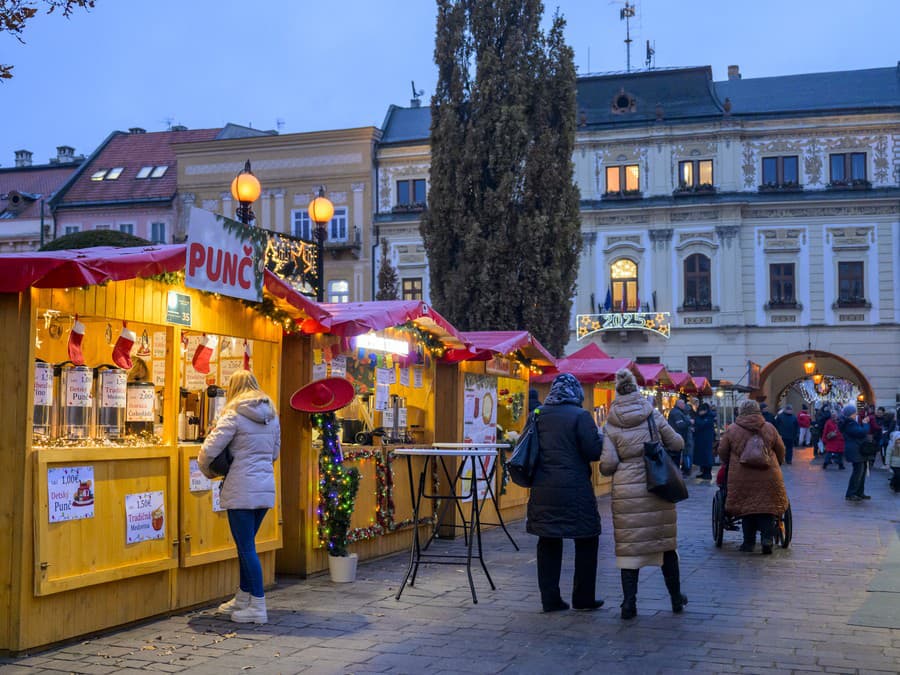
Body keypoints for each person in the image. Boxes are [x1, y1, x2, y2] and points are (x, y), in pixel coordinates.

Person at [600, 369, 687, 620]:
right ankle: (675, 598)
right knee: (665, 544)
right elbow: (677, 443)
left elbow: (608, 464)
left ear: (618, 393)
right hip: (656, 484)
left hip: (626, 488)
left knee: (630, 548)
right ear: (637, 390)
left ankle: (629, 604)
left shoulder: (611, 423)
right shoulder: (652, 414)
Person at [198, 370, 281, 624]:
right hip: (265, 488)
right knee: (247, 546)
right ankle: (243, 598)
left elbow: (208, 450)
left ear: (233, 388)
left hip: (241, 488)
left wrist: (209, 471)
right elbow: (274, 454)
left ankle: (258, 606)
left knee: (246, 548)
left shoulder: (233, 415)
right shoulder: (272, 416)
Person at [526, 372, 604, 613]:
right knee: (587, 538)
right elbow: (593, 452)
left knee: (548, 540)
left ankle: (550, 600)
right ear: (576, 392)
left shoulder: (537, 414)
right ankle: (583, 598)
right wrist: (600, 437)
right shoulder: (581, 416)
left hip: (543, 489)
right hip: (575, 490)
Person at [717, 399, 788, 554]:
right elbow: (781, 449)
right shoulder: (769, 427)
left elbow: (722, 451)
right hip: (769, 474)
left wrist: (728, 462)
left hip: (741, 475)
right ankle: (767, 539)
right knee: (767, 507)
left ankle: (748, 543)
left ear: (741, 410)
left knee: (746, 507)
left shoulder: (732, 429)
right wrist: (778, 462)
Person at [839, 404, 870, 502]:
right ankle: (851, 493)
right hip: (855, 450)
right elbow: (861, 432)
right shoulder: (850, 423)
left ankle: (859, 492)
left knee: (862, 472)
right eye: (854, 412)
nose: (856, 414)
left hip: (858, 450)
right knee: (858, 473)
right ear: (850, 414)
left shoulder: (850, 423)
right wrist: (865, 424)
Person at [667, 398, 693, 478]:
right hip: (678, 437)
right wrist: (689, 422)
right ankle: (684, 471)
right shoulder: (677, 413)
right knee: (682, 455)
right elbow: (680, 425)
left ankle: (679, 472)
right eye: (683, 404)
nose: (684, 405)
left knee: (678, 455)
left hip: (677, 437)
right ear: (679, 404)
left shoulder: (677, 412)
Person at [692, 402, 716, 481]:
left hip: (706, 440)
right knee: (703, 457)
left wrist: (695, 421)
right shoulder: (705, 416)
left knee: (707, 457)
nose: (699, 412)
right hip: (702, 440)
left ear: (705, 410)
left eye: (700, 411)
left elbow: (702, 424)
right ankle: (704, 472)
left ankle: (708, 474)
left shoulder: (709, 417)